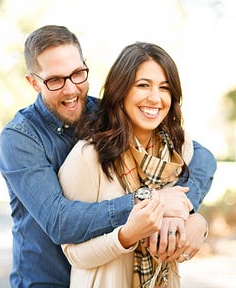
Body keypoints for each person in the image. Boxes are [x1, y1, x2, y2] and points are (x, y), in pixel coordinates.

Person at [0, 25, 217, 287]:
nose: (71, 90)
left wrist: (185, 211)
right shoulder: (21, 137)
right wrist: (150, 202)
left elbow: (202, 157)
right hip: (45, 279)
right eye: (55, 80)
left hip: (109, 273)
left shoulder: (106, 114)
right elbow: (59, 220)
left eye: (78, 74)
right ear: (33, 82)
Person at [58, 41, 209, 288]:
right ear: (121, 91)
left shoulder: (177, 150)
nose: (155, 98)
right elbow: (73, 252)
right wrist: (127, 235)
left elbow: (182, 206)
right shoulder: (89, 156)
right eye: (143, 85)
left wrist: (198, 223)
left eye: (165, 88)